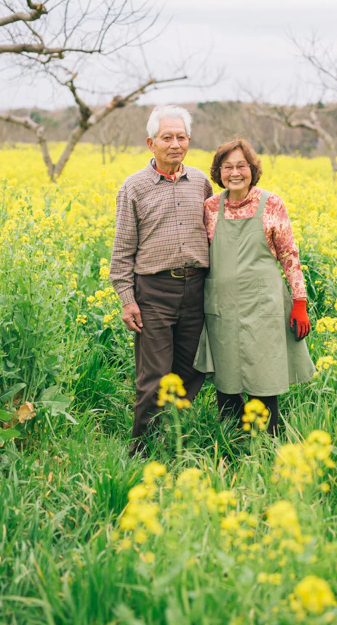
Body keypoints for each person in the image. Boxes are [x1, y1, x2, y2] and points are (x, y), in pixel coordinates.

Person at [194, 137, 315, 434]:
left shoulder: (271, 203)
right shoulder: (210, 207)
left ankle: (266, 445)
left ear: (252, 169)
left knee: (263, 375)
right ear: (218, 172)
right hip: (222, 307)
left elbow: (289, 254)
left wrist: (300, 302)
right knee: (226, 376)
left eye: (241, 166)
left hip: (264, 305)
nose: (235, 173)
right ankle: (230, 443)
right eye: (227, 167)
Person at [110, 105, 212, 454]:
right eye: (167, 138)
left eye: (181, 137)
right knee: (153, 380)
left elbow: (215, 235)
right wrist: (127, 299)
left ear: (189, 141)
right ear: (151, 142)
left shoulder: (200, 182)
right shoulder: (133, 187)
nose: (175, 144)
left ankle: (176, 443)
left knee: (191, 373)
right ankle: (140, 451)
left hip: (196, 288)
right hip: (154, 292)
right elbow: (122, 249)